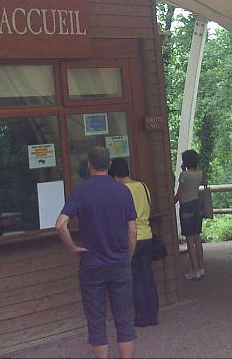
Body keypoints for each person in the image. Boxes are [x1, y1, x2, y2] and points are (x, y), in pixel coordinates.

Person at [56, 146, 137, 359]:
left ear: (89, 165)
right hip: (120, 262)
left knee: (96, 321)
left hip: (92, 264)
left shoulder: (81, 191)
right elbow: (132, 230)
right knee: (124, 319)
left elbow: (61, 224)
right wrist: (128, 254)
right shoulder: (123, 191)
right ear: (109, 165)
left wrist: (72, 247)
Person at [108, 157, 159, 327]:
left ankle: (141, 316)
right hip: (147, 236)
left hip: (131, 237)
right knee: (147, 276)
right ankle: (153, 315)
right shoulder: (143, 186)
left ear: (115, 175)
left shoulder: (121, 190)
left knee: (135, 278)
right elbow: (149, 208)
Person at [173, 149, 205, 280]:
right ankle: (201, 268)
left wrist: (170, 202)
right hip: (197, 204)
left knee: (189, 239)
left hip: (186, 206)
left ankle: (194, 269)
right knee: (197, 238)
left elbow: (179, 194)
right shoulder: (200, 173)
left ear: (186, 161)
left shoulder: (184, 175)